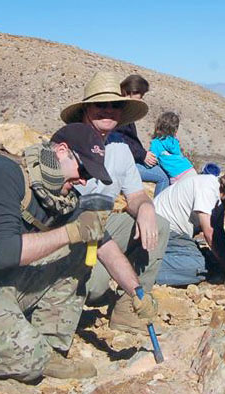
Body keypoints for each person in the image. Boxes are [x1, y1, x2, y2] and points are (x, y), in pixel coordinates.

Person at [0, 123, 157, 382]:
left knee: (79, 250)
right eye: (83, 169)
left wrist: (136, 292)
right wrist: (71, 232)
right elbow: (6, 253)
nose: (85, 180)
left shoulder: (63, 197)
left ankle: (49, 348)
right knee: (28, 359)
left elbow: (103, 243)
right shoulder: (3, 174)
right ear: (62, 151)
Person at [61, 71, 170, 334]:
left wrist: (145, 208)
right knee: (96, 286)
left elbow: (135, 196)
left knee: (159, 225)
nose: (108, 111)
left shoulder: (120, 147)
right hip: (71, 234)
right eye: (101, 105)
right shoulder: (69, 144)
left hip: (102, 228)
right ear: (87, 109)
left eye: (115, 105)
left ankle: (128, 310)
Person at [153, 168, 225, 286]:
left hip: (170, 231)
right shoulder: (208, 189)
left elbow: (218, 232)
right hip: (160, 229)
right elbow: (210, 233)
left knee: (210, 259)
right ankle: (141, 269)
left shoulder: (218, 201)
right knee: (200, 266)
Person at [111, 74, 170, 196]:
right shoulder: (119, 113)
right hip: (123, 164)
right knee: (163, 177)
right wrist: (143, 155)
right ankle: (158, 211)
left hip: (129, 159)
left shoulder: (123, 110)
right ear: (130, 92)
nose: (141, 99)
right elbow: (121, 142)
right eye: (141, 95)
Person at [149, 112, 196, 184]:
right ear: (175, 129)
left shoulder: (156, 143)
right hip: (189, 169)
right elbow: (178, 153)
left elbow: (151, 161)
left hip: (177, 175)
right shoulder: (174, 141)